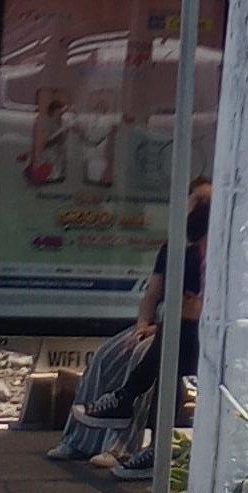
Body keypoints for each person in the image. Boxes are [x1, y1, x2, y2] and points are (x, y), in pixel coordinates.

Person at [45, 177, 212, 464]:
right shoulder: (173, 249)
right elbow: (152, 293)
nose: (197, 207)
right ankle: (77, 440)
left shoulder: (214, 253)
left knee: (142, 356)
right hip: (161, 320)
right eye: (196, 200)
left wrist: (161, 325)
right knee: (106, 354)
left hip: (180, 327)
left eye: (203, 202)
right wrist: (142, 325)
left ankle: (119, 446)